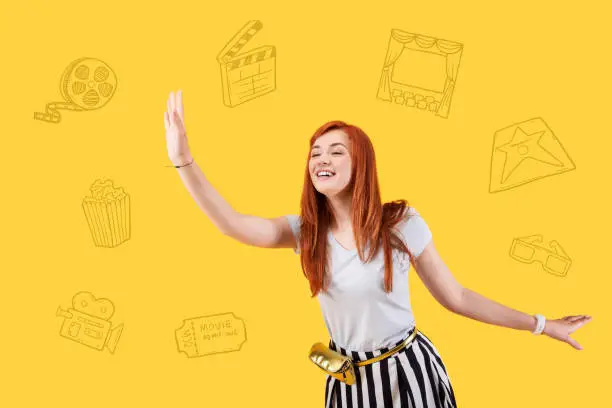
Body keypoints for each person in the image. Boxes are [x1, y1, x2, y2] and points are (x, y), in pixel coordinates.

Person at [164, 89, 593, 408]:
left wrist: (542, 324)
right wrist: (184, 159)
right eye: (315, 153)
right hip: (348, 382)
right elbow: (232, 224)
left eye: (336, 151)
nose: (321, 160)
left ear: (361, 163)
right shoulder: (305, 231)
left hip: (408, 374)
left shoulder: (401, 224)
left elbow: (458, 297)